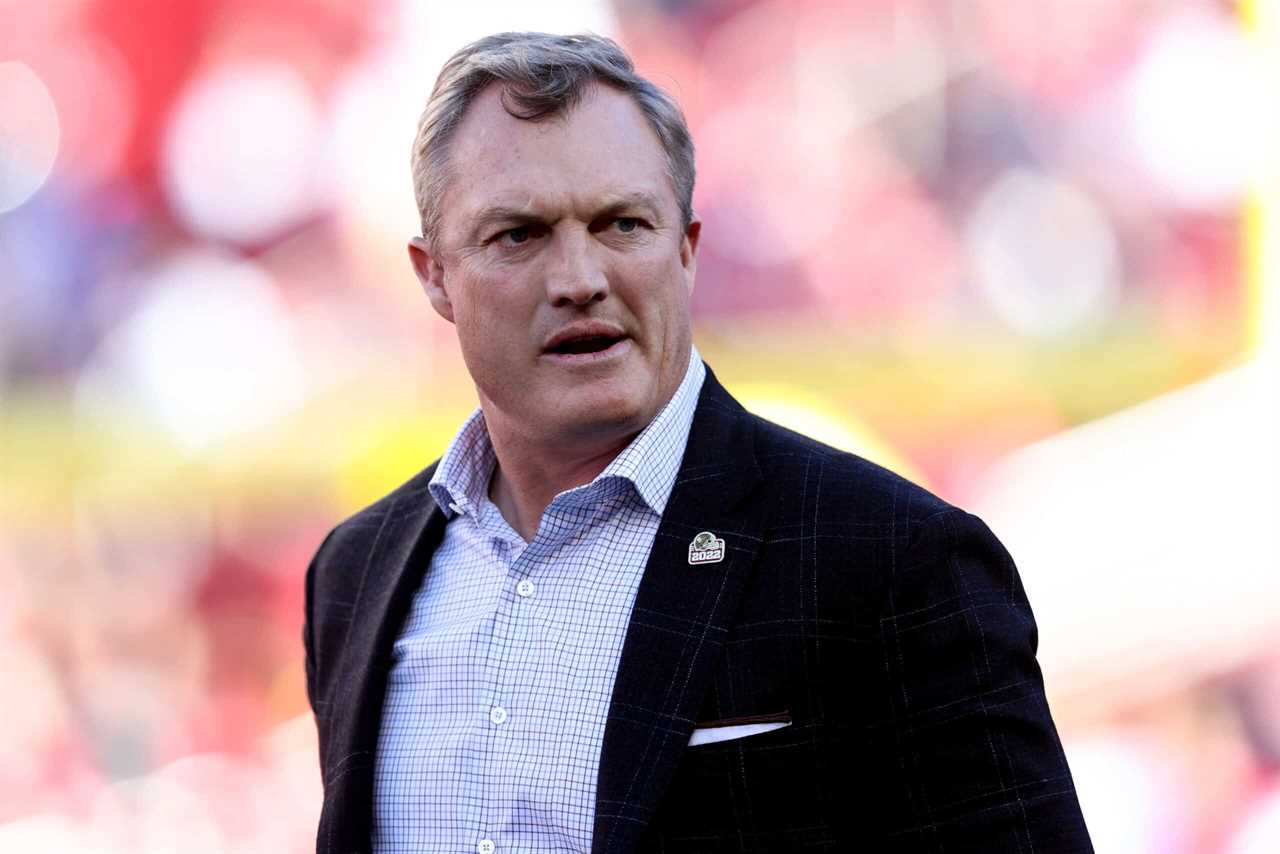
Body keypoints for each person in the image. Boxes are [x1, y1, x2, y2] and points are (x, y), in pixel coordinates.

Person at [302, 31, 1093, 854]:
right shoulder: (355, 575)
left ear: (685, 249)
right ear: (434, 275)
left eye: (622, 224)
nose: (579, 278)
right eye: (519, 235)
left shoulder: (894, 558)